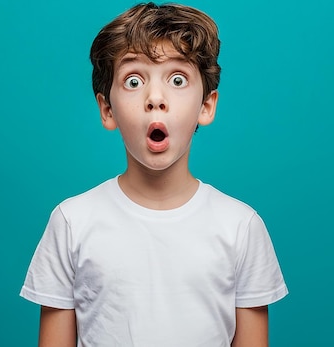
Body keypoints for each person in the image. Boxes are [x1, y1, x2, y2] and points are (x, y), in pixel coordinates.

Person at [20, 2, 288, 346]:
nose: (155, 98)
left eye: (178, 79)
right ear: (107, 109)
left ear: (206, 105)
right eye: (133, 81)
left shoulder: (241, 227)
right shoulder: (72, 222)